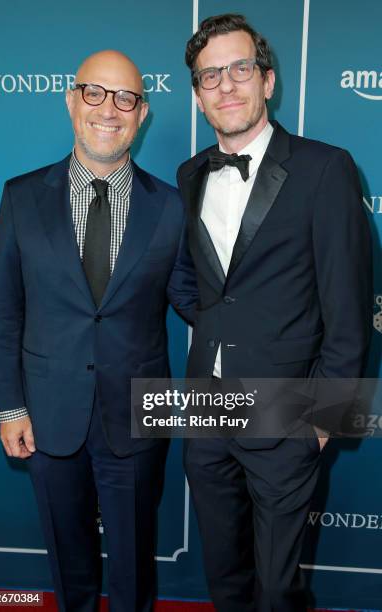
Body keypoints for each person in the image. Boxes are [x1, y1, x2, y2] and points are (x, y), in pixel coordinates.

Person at [0, 50, 196, 612]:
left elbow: (198, 302)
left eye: (126, 97)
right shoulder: (21, 196)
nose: (110, 109)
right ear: (72, 100)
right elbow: (2, 310)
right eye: (95, 93)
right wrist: (9, 407)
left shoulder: (171, 208)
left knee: (133, 562)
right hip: (47, 414)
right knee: (67, 561)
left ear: (143, 112)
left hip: (135, 414)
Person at [177, 13, 372, 612]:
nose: (227, 86)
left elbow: (350, 308)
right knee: (223, 574)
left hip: (286, 412)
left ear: (267, 80)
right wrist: (214, 325)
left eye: (240, 69)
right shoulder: (188, 176)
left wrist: (321, 421)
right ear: (198, 96)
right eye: (212, 76)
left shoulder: (325, 168)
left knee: (279, 588)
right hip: (203, 407)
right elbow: (190, 282)